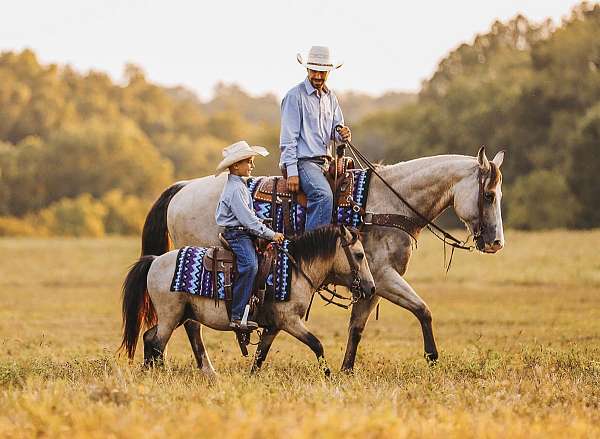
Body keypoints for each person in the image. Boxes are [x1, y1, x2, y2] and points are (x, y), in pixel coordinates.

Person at [279, 45, 352, 231]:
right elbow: (288, 138)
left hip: (325, 163)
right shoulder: (294, 96)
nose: (318, 76)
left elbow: (336, 130)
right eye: (314, 71)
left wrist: (343, 134)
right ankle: (312, 253)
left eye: (323, 72)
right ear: (307, 69)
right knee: (323, 196)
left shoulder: (331, 97)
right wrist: (292, 171)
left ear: (329, 71)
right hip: (304, 162)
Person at [215, 141, 285, 330]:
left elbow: (249, 216)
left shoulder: (240, 186)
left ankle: (254, 308)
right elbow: (247, 221)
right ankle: (236, 316)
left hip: (243, 232)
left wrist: (261, 221)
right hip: (237, 235)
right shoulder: (236, 189)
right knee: (250, 266)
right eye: (249, 162)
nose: (252, 166)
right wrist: (271, 234)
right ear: (236, 165)